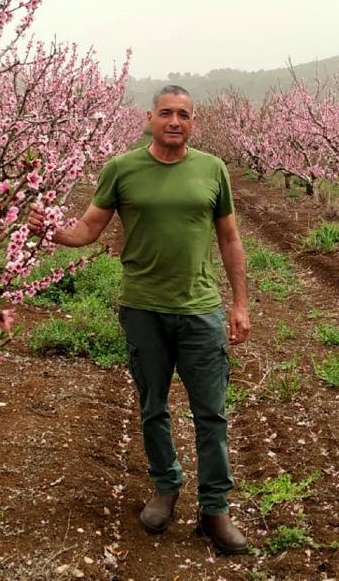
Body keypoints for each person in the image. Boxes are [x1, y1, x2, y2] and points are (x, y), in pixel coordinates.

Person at [27, 85, 251, 553]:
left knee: (210, 413)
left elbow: (229, 239)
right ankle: (165, 487)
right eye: (165, 113)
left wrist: (239, 303)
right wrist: (55, 231)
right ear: (149, 118)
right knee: (153, 407)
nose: (174, 121)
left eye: (183, 114)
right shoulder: (122, 169)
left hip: (200, 310)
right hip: (143, 308)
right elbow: (90, 226)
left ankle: (215, 509)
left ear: (194, 120)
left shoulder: (212, 170)